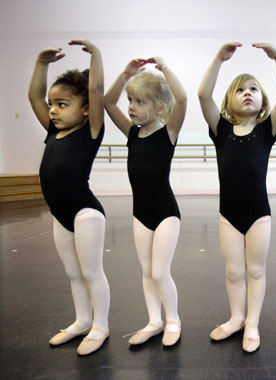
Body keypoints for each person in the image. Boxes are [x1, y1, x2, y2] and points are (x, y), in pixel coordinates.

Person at [198, 42, 276, 352]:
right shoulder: (221, 130)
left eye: (253, 88)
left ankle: (252, 323)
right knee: (233, 270)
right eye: (240, 90)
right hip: (229, 214)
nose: (247, 93)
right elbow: (203, 95)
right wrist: (219, 59)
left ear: (263, 99)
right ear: (229, 100)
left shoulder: (267, 130)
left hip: (258, 215)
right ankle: (236, 318)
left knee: (255, 270)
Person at [28, 39, 110, 355]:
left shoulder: (90, 130)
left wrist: (97, 56)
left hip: (85, 212)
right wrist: (41, 63)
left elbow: (97, 92)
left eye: (62, 104)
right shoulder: (53, 130)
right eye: (53, 104)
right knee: (74, 273)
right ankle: (81, 321)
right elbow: (34, 95)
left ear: (85, 108)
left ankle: (100, 326)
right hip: (61, 216)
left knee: (91, 272)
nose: (52, 109)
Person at [105, 57, 187, 346]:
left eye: (140, 101)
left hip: (166, 213)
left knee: (159, 271)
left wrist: (165, 68)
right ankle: (154, 320)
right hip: (140, 214)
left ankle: (173, 320)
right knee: (146, 272)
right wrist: (126, 73)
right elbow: (107, 103)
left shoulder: (169, 133)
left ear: (160, 108)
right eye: (131, 99)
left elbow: (183, 98)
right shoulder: (132, 134)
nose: (131, 106)